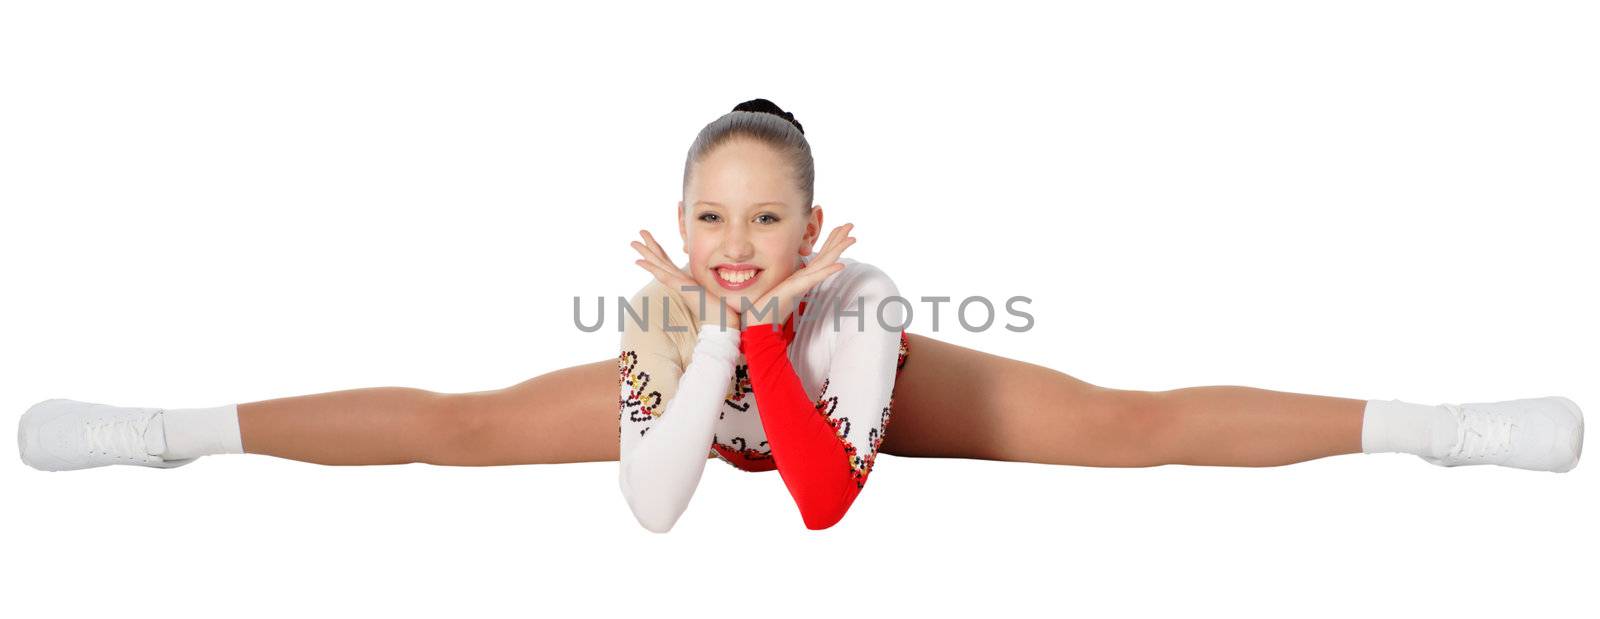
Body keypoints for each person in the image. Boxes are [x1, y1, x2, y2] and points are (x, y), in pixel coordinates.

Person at [17, 99, 1586, 531]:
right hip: (711, 387)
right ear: (678, 221)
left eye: (769, 218)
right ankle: (165, 436)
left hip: (836, 404)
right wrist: (695, 334)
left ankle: (1436, 434)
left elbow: (828, 499)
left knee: (1130, 427)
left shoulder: (860, 306)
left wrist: (766, 330)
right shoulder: (659, 307)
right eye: (713, 217)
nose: (739, 239)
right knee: (458, 425)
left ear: (813, 226)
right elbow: (659, 505)